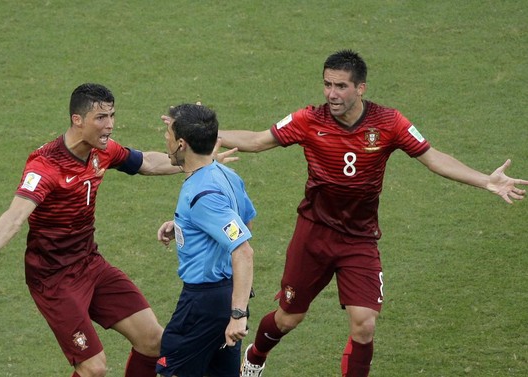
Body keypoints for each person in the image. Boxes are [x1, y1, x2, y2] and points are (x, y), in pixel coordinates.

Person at [217, 50, 528, 377]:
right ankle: (256, 353)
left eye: (340, 86)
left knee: (364, 325)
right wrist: (208, 136)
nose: (331, 94)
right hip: (313, 234)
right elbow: (257, 140)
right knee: (288, 318)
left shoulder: (389, 123)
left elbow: (433, 157)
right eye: (327, 85)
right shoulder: (309, 120)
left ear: (360, 88)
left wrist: (485, 181)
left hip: (359, 239)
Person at [0, 83, 236, 377]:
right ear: (77, 120)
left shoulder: (103, 151)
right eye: (101, 118)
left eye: (111, 115)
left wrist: (197, 162)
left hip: (90, 265)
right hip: (54, 278)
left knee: (153, 341)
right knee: (93, 368)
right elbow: (17, 213)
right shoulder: (46, 165)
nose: (109, 125)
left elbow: (147, 162)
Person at [155, 103, 256, 377]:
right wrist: (186, 227)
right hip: (226, 294)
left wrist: (238, 314)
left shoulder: (202, 194)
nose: (165, 138)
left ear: (181, 144)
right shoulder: (226, 175)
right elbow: (243, 219)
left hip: (204, 304)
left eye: (168, 133)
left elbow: (243, 250)